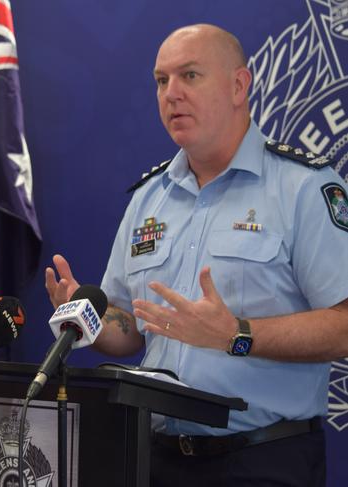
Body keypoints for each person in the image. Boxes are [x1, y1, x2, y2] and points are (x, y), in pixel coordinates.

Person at [45, 24, 348, 486]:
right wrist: (89, 319)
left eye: (189, 75)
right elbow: (129, 326)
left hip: (263, 459)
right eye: (161, 81)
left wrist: (237, 334)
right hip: (154, 458)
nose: (172, 94)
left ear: (238, 86)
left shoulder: (303, 187)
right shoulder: (149, 198)